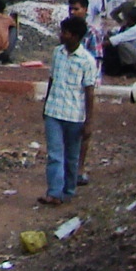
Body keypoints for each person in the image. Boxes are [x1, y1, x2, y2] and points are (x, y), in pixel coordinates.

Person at [40, 15, 98, 204]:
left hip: (75, 115)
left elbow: (90, 92)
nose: (61, 35)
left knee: (71, 157)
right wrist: (46, 103)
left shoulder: (87, 61)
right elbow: (52, 79)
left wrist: (88, 121)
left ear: (74, 36)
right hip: (54, 111)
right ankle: (54, 193)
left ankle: (68, 190)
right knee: (55, 155)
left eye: (64, 32)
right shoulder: (57, 53)